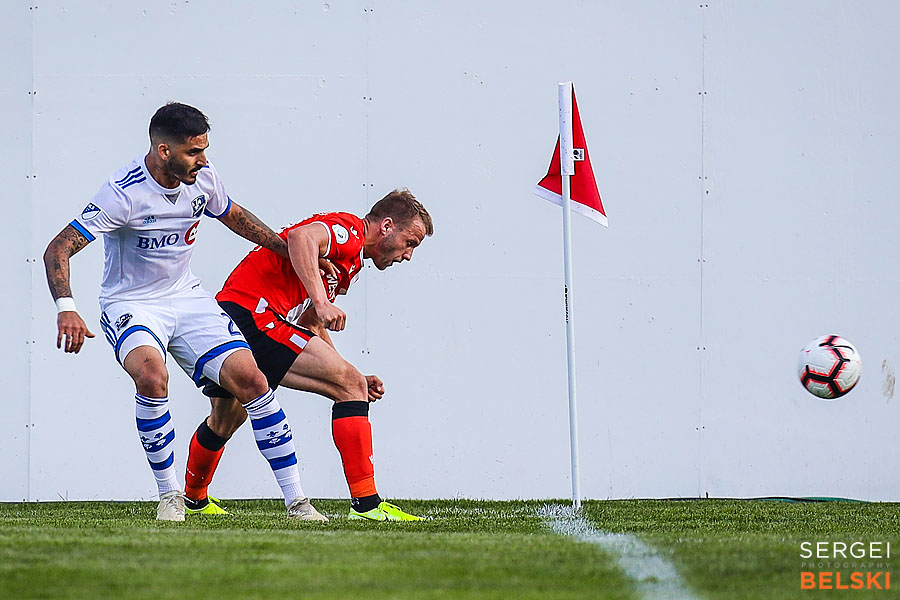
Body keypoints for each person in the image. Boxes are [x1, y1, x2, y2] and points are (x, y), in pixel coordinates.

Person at [42, 102, 325, 522]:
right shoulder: (123, 193)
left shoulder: (203, 180)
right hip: (132, 304)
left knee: (253, 381)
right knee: (153, 378)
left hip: (187, 299)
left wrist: (290, 253)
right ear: (163, 151)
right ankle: (170, 495)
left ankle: (298, 502)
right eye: (194, 152)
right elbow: (58, 248)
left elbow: (236, 217)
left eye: (205, 149)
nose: (203, 160)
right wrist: (67, 308)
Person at [183, 189, 433, 521]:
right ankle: (367, 506)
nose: (408, 255)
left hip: (233, 316)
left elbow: (310, 326)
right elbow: (302, 238)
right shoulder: (350, 233)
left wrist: (348, 369)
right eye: (410, 242)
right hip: (253, 314)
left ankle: (194, 502)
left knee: (228, 416)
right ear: (387, 226)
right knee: (350, 387)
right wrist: (322, 302)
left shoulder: (351, 264)